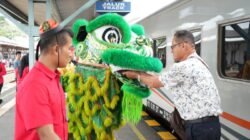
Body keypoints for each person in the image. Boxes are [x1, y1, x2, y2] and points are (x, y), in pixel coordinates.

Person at [123, 30, 223, 140]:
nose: (171, 51)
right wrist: (140, 73)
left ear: (183, 45)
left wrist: (135, 75)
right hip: (212, 126)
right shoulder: (200, 62)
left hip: (198, 129)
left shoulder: (184, 67)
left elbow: (154, 82)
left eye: (173, 47)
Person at [15, 19, 73, 140]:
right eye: (69, 49)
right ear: (56, 49)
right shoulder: (35, 85)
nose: (71, 54)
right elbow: (47, 136)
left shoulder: (52, 78)